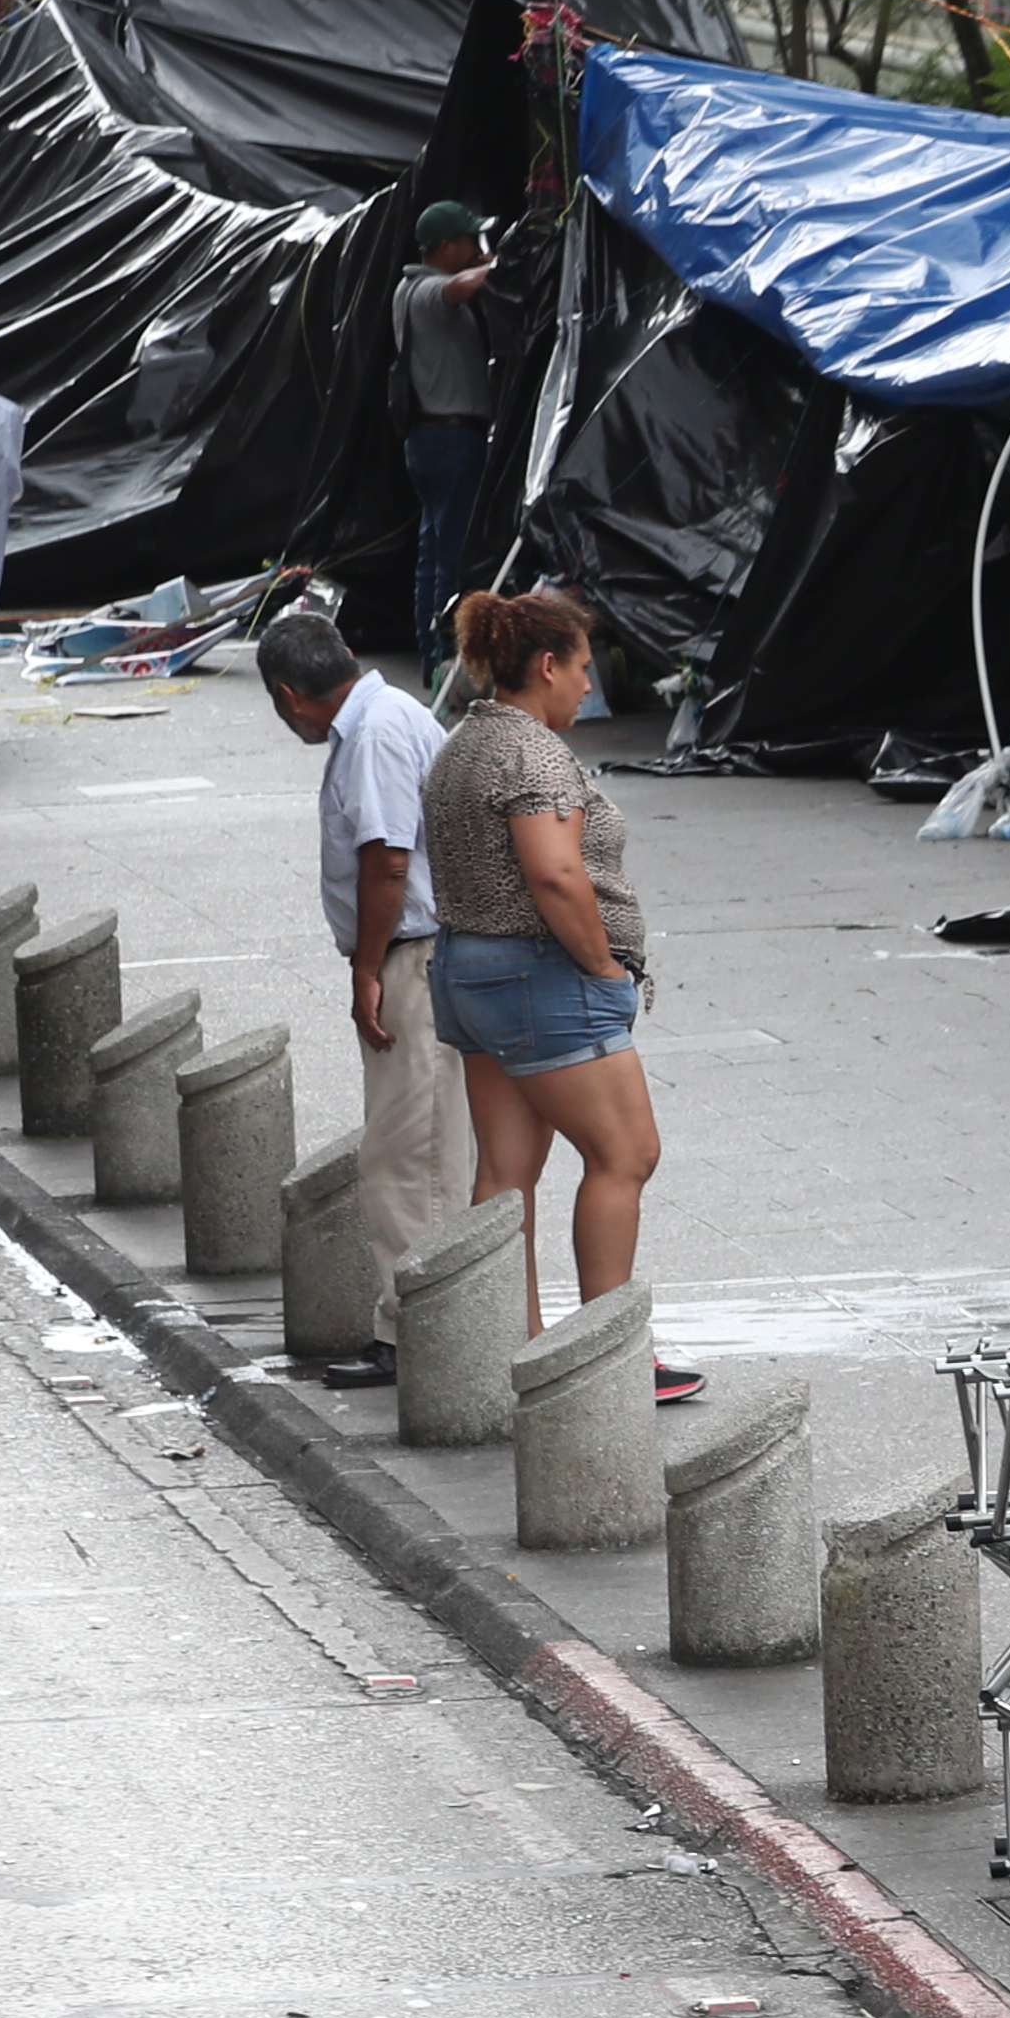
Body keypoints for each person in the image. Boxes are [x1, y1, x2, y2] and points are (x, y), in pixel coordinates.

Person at [415, 586, 701, 1403]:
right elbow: (554, 871)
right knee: (626, 1153)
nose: (587, 686)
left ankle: (515, 1345)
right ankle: (606, 1356)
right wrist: (605, 967)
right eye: (581, 669)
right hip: (540, 976)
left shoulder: (462, 743)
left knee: (504, 1174)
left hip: (470, 975)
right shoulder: (533, 754)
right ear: (546, 666)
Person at [260, 604, 459, 1390]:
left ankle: (419, 1333)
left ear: (289, 695)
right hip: (416, 953)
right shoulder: (385, 712)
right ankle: (423, 1323)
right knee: (419, 1148)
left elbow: (386, 861)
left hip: (415, 958)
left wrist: (365, 971)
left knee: (409, 1155)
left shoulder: (373, 734)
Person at [397, 201, 501, 657]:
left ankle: (429, 653)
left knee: (433, 554)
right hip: (452, 439)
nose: (477, 249)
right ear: (446, 247)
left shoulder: (407, 292)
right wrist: (500, 265)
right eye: (469, 241)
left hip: (427, 440)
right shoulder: (425, 292)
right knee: (452, 560)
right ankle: (444, 657)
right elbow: (459, 287)